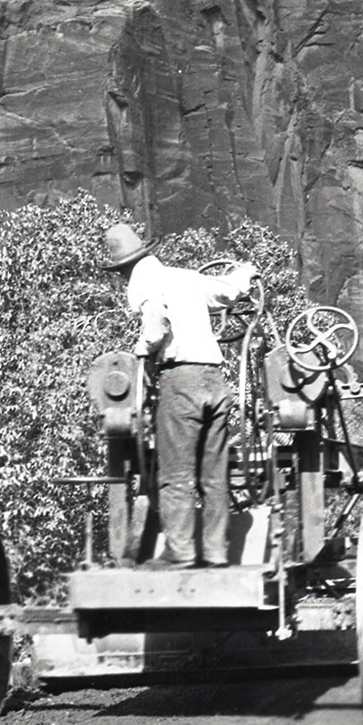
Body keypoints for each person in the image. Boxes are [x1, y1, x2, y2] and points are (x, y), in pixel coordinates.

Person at [102, 222, 260, 569]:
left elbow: (156, 325)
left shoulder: (143, 282)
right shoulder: (186, 277)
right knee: (214, 475)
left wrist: (142, 350)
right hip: (215, 380)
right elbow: (231, 292)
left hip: (181, 380)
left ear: (125, 267)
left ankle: (180, 552)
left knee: (175, 473)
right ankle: (216, 552)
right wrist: (245, 272)